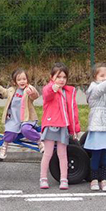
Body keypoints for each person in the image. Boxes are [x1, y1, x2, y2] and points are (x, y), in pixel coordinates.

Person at [39, 62, 80, 190]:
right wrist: (53, 88)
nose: (61, 80)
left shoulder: (69, 92)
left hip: (63, 126)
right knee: (48, 153)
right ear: (52, 77)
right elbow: (47, 95)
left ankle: (64, 179)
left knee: (63, 154)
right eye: (58, 77)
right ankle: (43, 178)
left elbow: (73, 111)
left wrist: (75, 129)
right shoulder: (49, 88)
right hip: (51, 125)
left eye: (64, 77)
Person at [0, 68, 41, 161]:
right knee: (9, 133)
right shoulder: (12, 90)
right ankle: (4, 147)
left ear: (27, 80)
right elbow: (4, 91)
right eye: (19, 79)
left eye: (24, 79)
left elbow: (35, 95)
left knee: (26, 129)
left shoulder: (28, 89)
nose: (22, 81)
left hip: (27, 118)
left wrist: (32, 92)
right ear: (15, 81)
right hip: (14, 119)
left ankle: (39, 141)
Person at [84, 63, 106, 192]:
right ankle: (94, 179)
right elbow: (100, 90)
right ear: (95, 77)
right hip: (96, 127)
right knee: (96, 154)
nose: (105, 78)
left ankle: (104, 179)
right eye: (102, 75)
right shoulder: (93, 88)